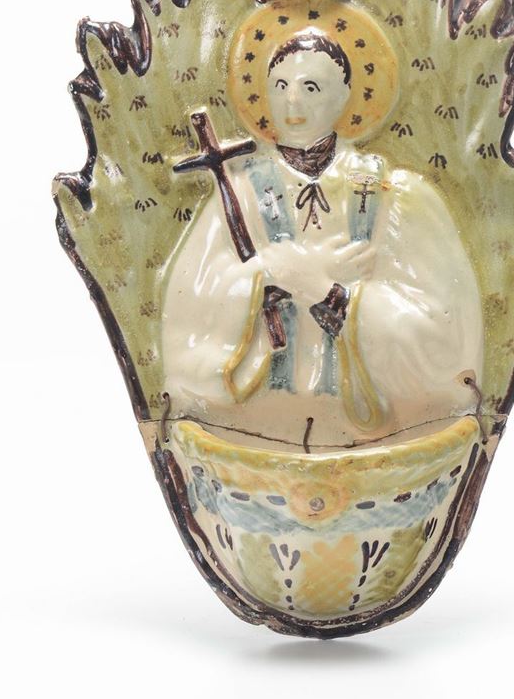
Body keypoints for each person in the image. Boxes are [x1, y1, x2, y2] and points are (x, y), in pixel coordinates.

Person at [161, 31, 483, 449]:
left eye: (310, 87)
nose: (292, 102)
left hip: (375, 434)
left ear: (344, 96)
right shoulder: (239, 194)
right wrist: (266, 274)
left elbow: (443, 333)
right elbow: (191, 309)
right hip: (255, 428)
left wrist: (332, 293)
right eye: (280, 86)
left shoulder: (394, 195)